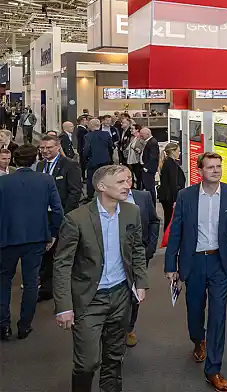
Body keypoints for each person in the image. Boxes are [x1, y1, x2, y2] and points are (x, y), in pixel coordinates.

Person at [53, 165, 148, 391]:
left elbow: (136, 249)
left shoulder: (131, 212)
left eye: (128, 181)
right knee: (87, 363)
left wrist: (141, 282)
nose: (128, 186)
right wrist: (64, 306)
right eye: (121, 182)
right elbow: (62, 265)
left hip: (121, 296)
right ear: (101, 187)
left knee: (114, 359)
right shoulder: (75, 219)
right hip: (89, 300)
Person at [165, 152, 227, 392]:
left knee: (218, 315)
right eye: (210, 167)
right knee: (195, 309)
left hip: (220, 263)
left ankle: (214, 369)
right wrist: (171, 265)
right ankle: (197, 339)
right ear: (200, 171)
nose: (216, 171)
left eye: (218, 167)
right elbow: (175, 232)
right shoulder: (186, 196)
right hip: (194, 263)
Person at [0, 144, 63, 341]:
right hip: (37, 238)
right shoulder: (46, 180)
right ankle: (24, 326)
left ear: (13, 161)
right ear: (35, 159)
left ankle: (3, 326)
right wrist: (52, 234)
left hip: (6, 238)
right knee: (30, 283)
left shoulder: (3, 182)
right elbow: (57, 210)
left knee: (3, 282)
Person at [35, 134, 83, 302]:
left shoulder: (70, 165)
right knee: (45, 252)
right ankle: (46, 288)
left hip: (63, 215)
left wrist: (64, 215)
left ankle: (65, 290)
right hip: (43, 216)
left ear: (57, 147)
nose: (45, 151)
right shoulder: (40, 166)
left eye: (49, 148)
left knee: (62, 252)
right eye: (42, 148)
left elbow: (75, 192)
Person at [124, 186, 159, 348]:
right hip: (115, 256)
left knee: (135, 293)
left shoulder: (143, 197)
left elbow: (154, 221)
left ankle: (129, 328)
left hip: (139, 255)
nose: (125, 183)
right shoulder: (105, 198)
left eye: (128, 178)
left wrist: (150, 248)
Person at [158, 142, 186, 231]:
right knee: (170, 219)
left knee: (168, 217)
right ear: (173, 152)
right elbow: (173, 183)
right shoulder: (171, 164)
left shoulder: (166, 162)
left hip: (166, 195)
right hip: (170, 197)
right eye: (178, 151)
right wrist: (175, 199)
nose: (179, 153)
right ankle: (168, 239)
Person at [84, 119, 114, 197]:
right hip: (105, 160)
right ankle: (107, 194)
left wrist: (86, 158)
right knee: (105, 178)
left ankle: (90, 196)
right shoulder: (106, 134)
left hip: (93, 160)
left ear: (91, 126)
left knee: (91, 178)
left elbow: (87, 149)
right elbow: (111, 146)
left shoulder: (88, 136)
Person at [138, 127, 159, 203]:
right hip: (145, 168)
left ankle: (152, 205)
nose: (141, 136)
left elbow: (153, 157)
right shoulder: (148, 141)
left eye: (142, 134)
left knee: (150, 188)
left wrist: (146, 168)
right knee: (147, 187)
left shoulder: (152, 142)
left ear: (148, 134)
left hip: (148, 169)